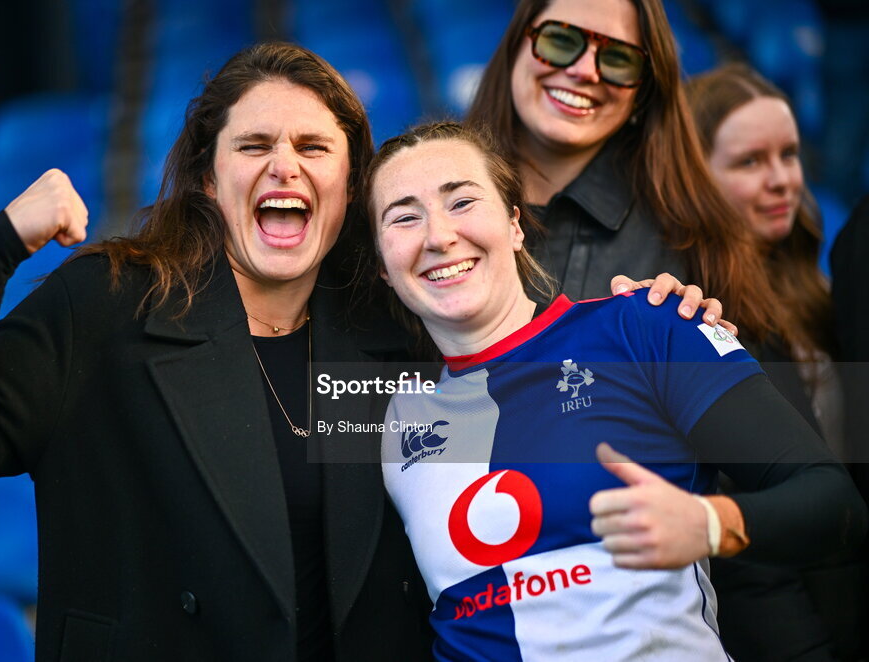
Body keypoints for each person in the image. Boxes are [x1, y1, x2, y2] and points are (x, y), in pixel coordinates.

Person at [0, 43, 714, 661]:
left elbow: (521, 424)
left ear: (351, 184)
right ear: (205, 177)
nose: (284, 167)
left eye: (313, 148)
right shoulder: (107, 307)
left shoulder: (395, 328)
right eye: (254, 146)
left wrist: (647, 322)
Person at [362, 121, 866, 661]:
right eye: (405, 217)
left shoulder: (647, 325)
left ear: (514, 224)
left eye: (461, 202)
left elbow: (834, 505)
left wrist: (710, 524)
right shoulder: (393, 419)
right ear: (384, 268)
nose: (438, 236)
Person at [465, 0, 792, 351]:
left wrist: (697, 343)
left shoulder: (700, 238)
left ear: (643, 90)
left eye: (619, 59)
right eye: (560, 41)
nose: (585, 70)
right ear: (516, 45)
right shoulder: (421, 210)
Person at [687, 63, 866, 661]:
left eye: (789, 155)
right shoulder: (699, 322)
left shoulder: (818, 291)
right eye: (750, 162)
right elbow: (752, 564)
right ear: (694, 178)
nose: (782, 179)